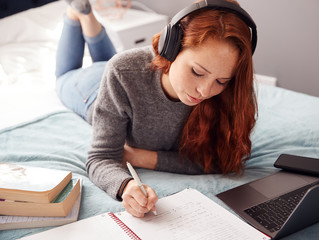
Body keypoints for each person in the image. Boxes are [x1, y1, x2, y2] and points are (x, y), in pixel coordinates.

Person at [56, 0, 257, 218]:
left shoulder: (229, 89)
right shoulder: (123, 71)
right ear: (171, 47)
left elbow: (218, 160)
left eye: (221, 81)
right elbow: (100, 158)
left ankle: (88, 18)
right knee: (65, 75)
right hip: (92, 91)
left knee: (111, 62)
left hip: (120, 73)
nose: (205, 91)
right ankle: (77, 14)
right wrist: (127, 186)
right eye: (197, 72)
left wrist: (142, 157)